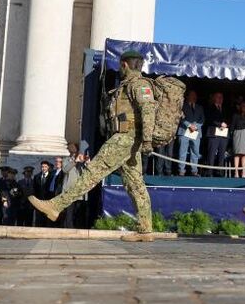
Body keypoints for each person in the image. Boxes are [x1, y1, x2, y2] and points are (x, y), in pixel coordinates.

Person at [29, 50, 157, 241]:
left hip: (124, 139)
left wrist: (147, 140)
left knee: (91, 172)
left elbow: (148, 110)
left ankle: (56, 206)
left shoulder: (139, 85)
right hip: (127, 139)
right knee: (135, 185)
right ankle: (145, 229)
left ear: (124, 65)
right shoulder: (129, 85)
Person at [177, 89, 204, 176]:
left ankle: (194, 171)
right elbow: (181, 117)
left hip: (196, 132)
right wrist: (189, 125)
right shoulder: (182, 106)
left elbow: (202, 119)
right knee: (182, 152)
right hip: (184, 131)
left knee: (195, 152)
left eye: (195, 95)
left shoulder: (200, 107)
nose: (194, 97)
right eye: (192, 95)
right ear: (187, 96)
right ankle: (181, 170)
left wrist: (196, 126)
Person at [60, 152, 88, 229]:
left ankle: (78, 228)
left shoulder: (82, 163)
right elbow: (65, 170)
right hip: (69, 191)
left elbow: (87, 173)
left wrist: (87, 163)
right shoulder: (66, 160)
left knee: (78, 212)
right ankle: (69, 228)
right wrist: (75, 161)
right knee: (69, 212)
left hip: (80, 192)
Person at [205, 91, 229, 176]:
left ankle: (220, 172)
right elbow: (209, 119)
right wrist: (220, 124)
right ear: (214, 98)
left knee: (221, 154)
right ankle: (209, 172)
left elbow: (229, 119)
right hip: (213, 134)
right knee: (211, 153)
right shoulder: (209, 108)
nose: (220, 99)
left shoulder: (225, 108)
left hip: (223, 134)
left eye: (221, 97)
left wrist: (225, 124)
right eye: (218, 97)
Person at [231, 101, 245, 178]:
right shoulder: (236, 115)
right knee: (237, 154)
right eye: (243, 106)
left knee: (244, 154)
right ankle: (236, 172)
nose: (244, 108)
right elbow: (232, 126)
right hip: (237, 133)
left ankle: (243, 173)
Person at [32, 160, 55, 227]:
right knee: (38, 218)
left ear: (48, 167)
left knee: (47, 218)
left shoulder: (52, 176)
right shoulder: (37, 177)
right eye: (42, 167)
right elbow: (34, 189)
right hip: (39, 201)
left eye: (45, 167)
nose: (43, 168)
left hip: (48, 201)